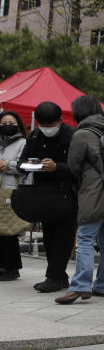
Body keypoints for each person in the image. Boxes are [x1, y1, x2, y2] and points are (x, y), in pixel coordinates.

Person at [55, 96, 104, 304]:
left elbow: (74, 165)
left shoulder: (83, 133)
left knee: (85, 238)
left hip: (94, 193)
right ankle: (102, 286)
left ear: (78, 113)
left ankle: (80, 286)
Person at [19, 101, 77, 292]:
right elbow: (22, 162)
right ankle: (58, 277)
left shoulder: (72, 136)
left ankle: (54, 277)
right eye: (42, 125)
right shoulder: (35, 136)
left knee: (64, 236)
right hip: (43, 193)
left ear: (60, 121)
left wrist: (57, 167)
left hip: (67, 193)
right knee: (49, 236)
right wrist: (30, 164)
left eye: (50, 126)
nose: (46, 129)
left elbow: (80, 168)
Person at [0, 110, 28, 280]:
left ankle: (12, 267)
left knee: (9, 230)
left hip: (10, 190)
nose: (7, 126)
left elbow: (24, 165)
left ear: (18, 124)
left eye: (11, 123)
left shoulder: (23, 143)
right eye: (4, 123)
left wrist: (6, 165)